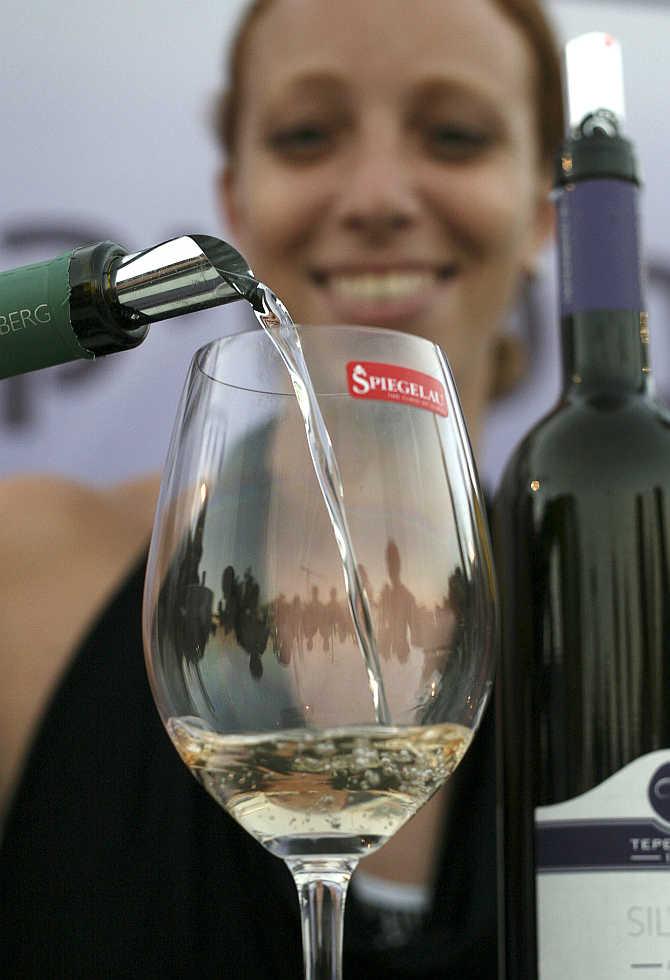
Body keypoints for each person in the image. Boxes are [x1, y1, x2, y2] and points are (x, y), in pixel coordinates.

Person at [0, 0, 563, 976]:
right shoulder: (27, 573)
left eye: (455, 135)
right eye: (306, 135)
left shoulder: (629, 604)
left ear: (541, 212)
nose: (378, 194)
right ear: (235, 201)